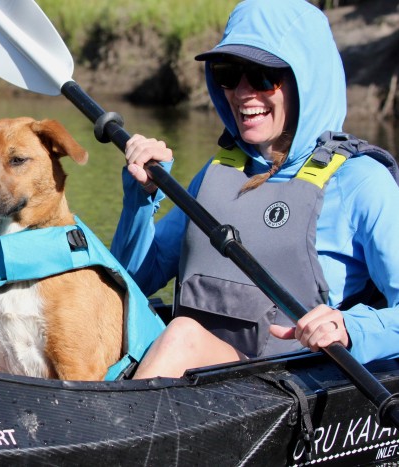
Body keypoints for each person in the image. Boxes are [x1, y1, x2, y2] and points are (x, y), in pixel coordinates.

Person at [111, 0, 399, 379]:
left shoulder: (360, 181)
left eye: (263, 76)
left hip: (286, 388)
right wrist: (141, 198)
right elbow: (133, 284)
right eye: (229, 74)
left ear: (304, 79)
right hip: (191, 389)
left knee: (182, 335)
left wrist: (351, 328)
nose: (243, 92)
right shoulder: (215, 176)